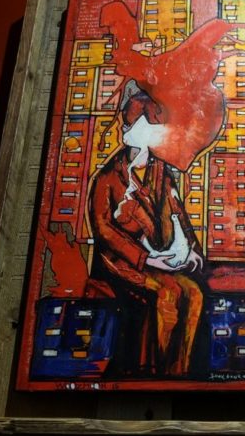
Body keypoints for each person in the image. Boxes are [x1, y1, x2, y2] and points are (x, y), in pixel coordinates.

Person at [88, 82, 204, 377]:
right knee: (168, 294)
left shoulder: (160, 171)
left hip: (158, 258)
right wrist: (146, 259)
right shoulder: (107, 179)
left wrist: (192, 249)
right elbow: (104, 230)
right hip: (124, 263)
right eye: (148, 127)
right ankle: (158, 373)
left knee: (194, 294)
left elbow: (177, 209)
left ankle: (180, 370)